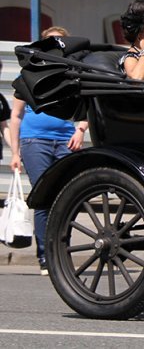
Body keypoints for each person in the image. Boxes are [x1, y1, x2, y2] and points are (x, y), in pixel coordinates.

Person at [8, 26, 89, 276]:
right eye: (52, 43)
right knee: (44, 198)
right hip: (35, 142)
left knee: (66, 197)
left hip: (65, 141)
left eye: (61, 43)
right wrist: (14, 152)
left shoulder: (71, 74)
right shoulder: (29, 77)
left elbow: (86, 108)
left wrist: (80, 130)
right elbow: (16, 116)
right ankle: (46, 257)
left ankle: (61, 253)